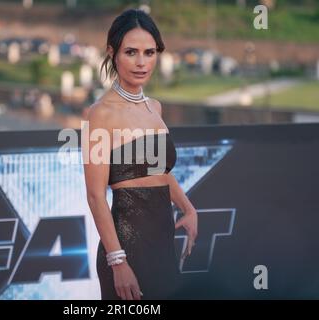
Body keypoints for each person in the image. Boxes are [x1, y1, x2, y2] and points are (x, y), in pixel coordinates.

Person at [82, 9, 198, 300]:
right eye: (131, 52)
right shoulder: (99, 115)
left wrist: (188, 207)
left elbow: (159, 171)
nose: (141, 62)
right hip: (126, 250)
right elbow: (95, 196)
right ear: (112, 52)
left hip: (163, 246)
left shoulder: (154, 108)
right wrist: (118, 262)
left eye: (149, 52)